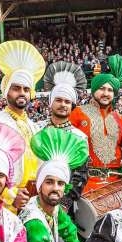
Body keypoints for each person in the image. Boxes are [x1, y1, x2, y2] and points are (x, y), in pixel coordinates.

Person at [0, 40, 46, 212]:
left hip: (34, 199)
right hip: (5, 202)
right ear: (7, 92)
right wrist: (10, 196)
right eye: (16, 88)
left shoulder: (34, 127)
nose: (21, 92)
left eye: (26, 89)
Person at [70, 54, 122, 187]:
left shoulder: (120, 119)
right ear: (93, 90)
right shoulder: (77, 114)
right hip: (84, 184)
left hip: (115, 184)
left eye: (110, 90)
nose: (106, 93)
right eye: (102, 88)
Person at [36, 62, 90, 216]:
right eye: (58, 100)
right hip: (33, 200)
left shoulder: (79, 138)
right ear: (50, 103)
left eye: (67, 102)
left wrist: (64, 203)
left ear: (72, 106)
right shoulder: (37, 130)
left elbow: (81, 176)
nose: (63, 104)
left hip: (62, 205)